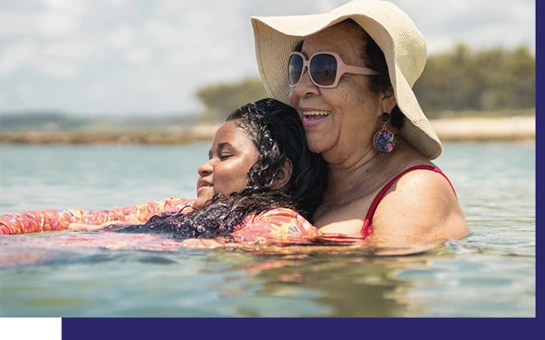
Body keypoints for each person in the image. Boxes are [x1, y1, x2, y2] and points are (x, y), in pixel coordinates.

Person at [251, 0, 471, 247]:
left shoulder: (416, 191)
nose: (301, 89)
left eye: (325, 70)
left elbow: (378, 277)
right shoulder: (298, 177)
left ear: (386, 94)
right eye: (297, 67)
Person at [0, 99, 328, 247]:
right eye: (209, 155)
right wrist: (10, 227)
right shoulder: (177, 208)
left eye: (224, 155)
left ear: (277, 175)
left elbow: (240, 247)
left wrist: (93, 242)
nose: (205, 166)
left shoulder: (280, 222)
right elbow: (79, 215)